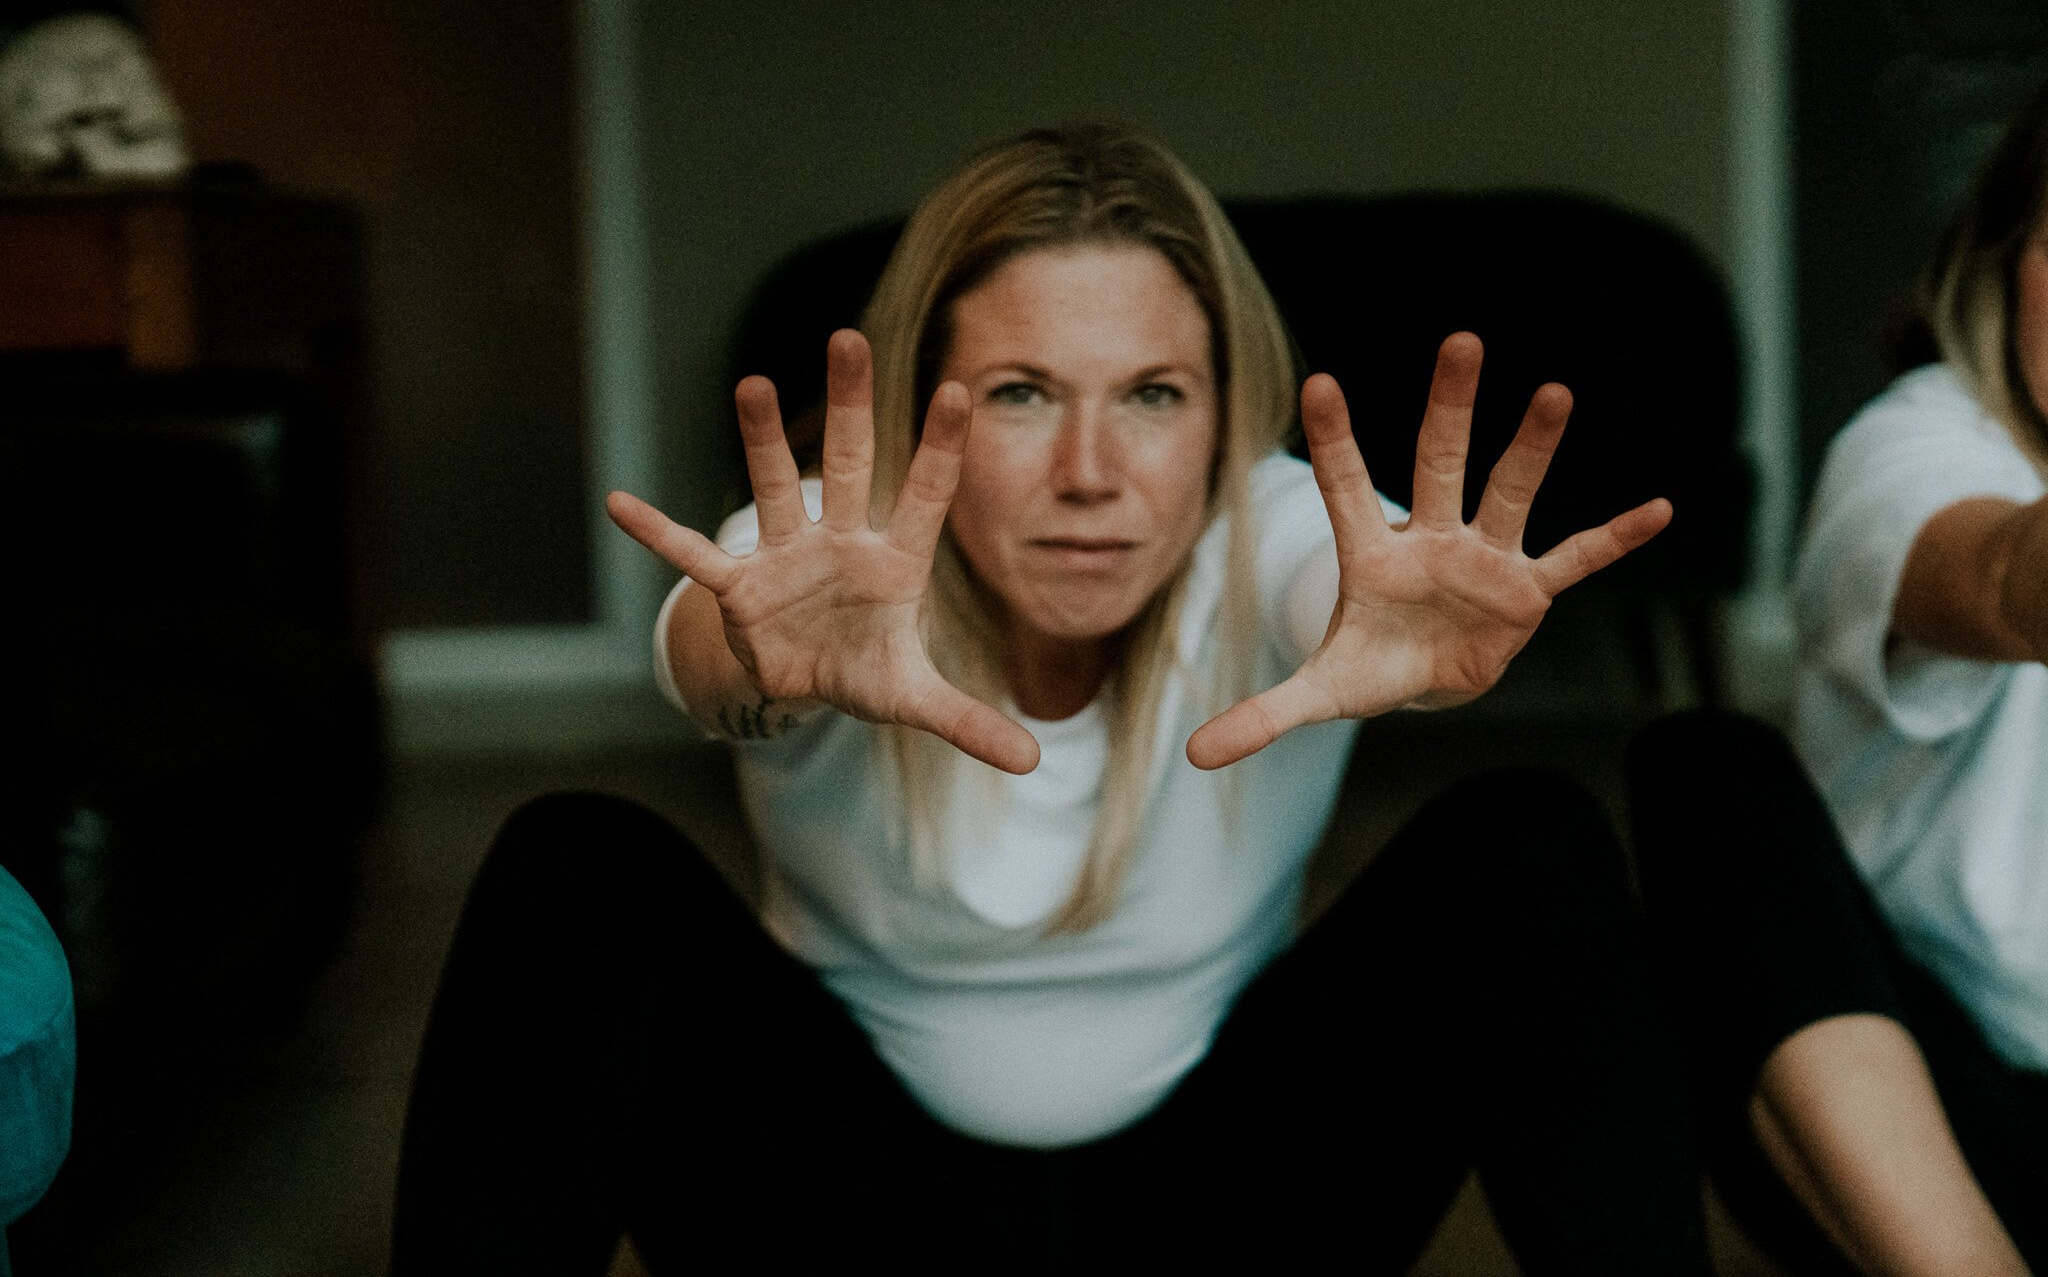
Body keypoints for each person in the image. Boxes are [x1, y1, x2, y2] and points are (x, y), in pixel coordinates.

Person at [391, 124, 1709, 1273]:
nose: (1092, 471)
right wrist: (756, 666)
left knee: (1526, 842)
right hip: (849, 1221)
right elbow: (707, 643)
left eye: (1152, 394)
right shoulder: (830, 554)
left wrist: (1381, 622)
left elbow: (1327, 573)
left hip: (1227, 1219)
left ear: (1223, 415)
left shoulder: (1282, 528)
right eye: (1022, 394)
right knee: (574, 862)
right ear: (925, 412)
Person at [1629, 82, 2048, 1276]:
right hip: (1911, 1121)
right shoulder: (1912, 442)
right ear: (2001, 258)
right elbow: (2006, 581)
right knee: (1705, 771)